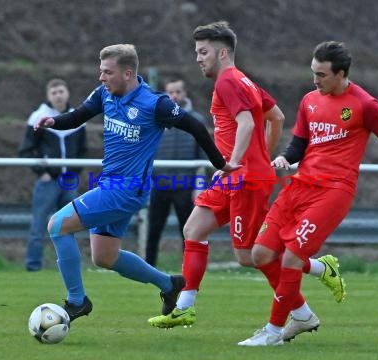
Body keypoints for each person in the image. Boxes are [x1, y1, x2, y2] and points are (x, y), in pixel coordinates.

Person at [238, 41, 378, 346]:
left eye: (321, 74)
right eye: (313, 73)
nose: (315, 80)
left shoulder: (365, 105)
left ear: (341, 74)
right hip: (300, 186)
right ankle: (310, 299)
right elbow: (299, 145)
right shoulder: (309, 100)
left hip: (333, 192)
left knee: (291, 258)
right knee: (260, 254)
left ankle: (273, 332)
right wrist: (284, 158)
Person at [149, 21, 343, 329]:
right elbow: (276, 117)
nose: (198, 58)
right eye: (197, 52)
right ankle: (185, 306)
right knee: (194, 229)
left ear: (222, 52)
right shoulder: (243, 81)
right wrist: (258, 158)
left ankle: (313, 282)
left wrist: (235, 162)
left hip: (243, 178)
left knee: (252, 256)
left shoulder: (229, 82)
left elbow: (248, 123)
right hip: (238, 175)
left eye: (203, 52)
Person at [33, 44, 239, 322]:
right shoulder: (104, 94)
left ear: (128, 73)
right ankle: (170, 285)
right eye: (101, 71)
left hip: (126, 189)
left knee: (57, 225)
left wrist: (221, 164)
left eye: (107, 72)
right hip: (111, 185)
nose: (101, 77)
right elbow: (78, 116)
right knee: (104, 256)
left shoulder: (156, 104)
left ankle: (76, 301)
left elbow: (196, 128)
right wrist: (53, 122)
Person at [18, 78, 87, 271]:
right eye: (54, 92)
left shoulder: (77, 118)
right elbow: (26, 150)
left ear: (68, 93)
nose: (58, 95)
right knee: (39, 225)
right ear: (48, 96)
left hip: (68, 182)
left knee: (69, 227)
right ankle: (33, 267)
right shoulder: (38, 117)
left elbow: (83, 150)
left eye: (61, 91)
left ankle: (68, 268)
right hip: (48, 181)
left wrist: (75, 173)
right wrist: (42, 172)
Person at [145, 78, 207, 267]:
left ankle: (187, 271)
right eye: (170, 92)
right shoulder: (155, 119)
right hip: (159, 184)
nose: (174, 96)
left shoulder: (197, 121)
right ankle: (148, 269)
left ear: (184, 93)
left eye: (178, 91)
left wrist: (199, 186)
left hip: (184, 186)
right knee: (153, 230)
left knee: (187, 232)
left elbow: (202, 158)